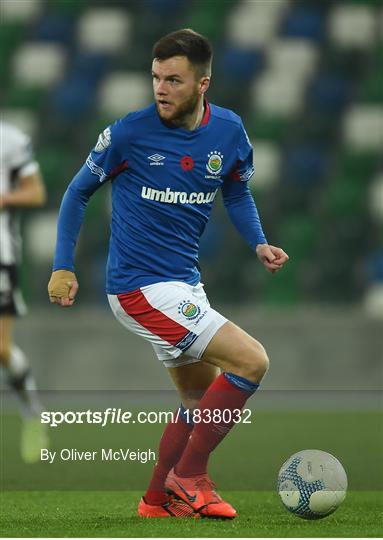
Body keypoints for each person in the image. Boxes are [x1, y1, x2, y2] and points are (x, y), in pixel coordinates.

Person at [48, 29, 288, 518]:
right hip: (139, 287)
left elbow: (237, 192)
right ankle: (190, 475)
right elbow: (76, 193)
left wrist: (258, 241)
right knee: (251, 362)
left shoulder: (229, 132)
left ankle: (156, 501)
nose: (161, 88)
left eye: (174, 80)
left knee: (198, 401)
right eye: (156, 77)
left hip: (182, 283)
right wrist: (62, 267)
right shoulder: (129, 133)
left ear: (203, 84)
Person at [0, 121, 48, 463]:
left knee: (1, 350)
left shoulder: (10, 139)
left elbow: (36, 192)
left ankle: (33, 413)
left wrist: (4, 197)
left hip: (0, 253)